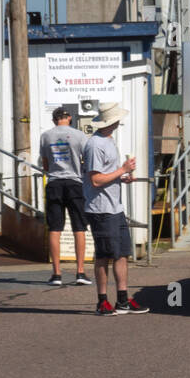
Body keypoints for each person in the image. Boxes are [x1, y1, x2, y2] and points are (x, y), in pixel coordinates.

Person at [82, 102, 147, 316]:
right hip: (101, 209)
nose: (120, 121)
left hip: (114, 206)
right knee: (104, 254)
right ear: (113, 120)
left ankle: (122, 299)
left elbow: (107, 175)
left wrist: (123, 176)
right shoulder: (95, 145)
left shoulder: (109, 140)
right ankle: (102, 301)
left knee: (121, 253)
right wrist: (122, 170)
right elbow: (96, 180)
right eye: (118, 118)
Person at [39, 107, 91, 286]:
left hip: (54, 183)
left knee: (55, 228)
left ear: (54, 120)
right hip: (75, 183)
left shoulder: (45, 136)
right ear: (69, 118)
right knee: (79, 227)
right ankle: (81, 272)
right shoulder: (79, 135)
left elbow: (45, 164)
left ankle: (56, 274)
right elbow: (87, 160)